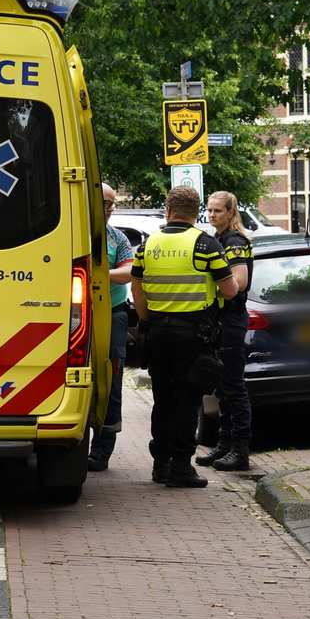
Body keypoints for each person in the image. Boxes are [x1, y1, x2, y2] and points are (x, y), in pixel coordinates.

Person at [131, 186, 240, 487]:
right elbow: (231, 290)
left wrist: (146, 320)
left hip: (157, 334)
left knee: (162, 400)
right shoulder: (205, 245)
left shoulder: (148, 245)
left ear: (168, 209)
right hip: (193, 337)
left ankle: (160, 465)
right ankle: (181, 467)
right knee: (187, 401)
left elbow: (136, 288)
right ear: (197, 213)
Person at [197, 191, 254, 471]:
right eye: (209, 210)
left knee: (233, 387)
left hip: (231, 321)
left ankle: (240, 450)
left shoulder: (234, 242)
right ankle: (224, 445)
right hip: (220, 321)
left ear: (231, 213)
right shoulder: (218, 239)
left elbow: (239, 282)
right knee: (222, 388)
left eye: (218, 211)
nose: (212, 215)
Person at [88, 184, 136, 471]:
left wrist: (100, 274)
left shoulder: (117, 239)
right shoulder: (77, 232)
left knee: (111, 377)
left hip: (113, 314)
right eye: (106, 204)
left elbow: (129, 272)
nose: (110, 209)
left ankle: (102, 448)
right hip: (81, 314)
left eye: (112, 205)